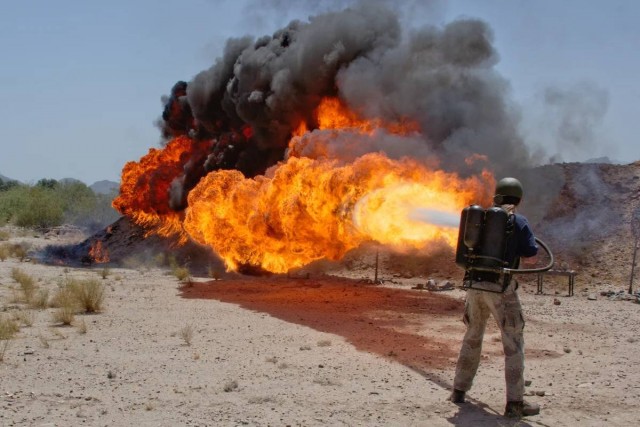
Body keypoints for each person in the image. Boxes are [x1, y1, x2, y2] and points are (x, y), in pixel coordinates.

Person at [450, 177, 540, 419]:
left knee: (472, 337)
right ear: (518, 199)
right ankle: (515, 404)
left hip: (475, 287)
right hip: (501, 289)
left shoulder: (480, 219)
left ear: (496, 197)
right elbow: (531, 252)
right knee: (513, 343)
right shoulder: (518, 221)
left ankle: (458, 390)